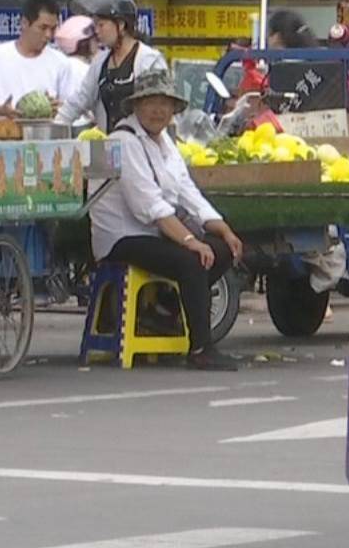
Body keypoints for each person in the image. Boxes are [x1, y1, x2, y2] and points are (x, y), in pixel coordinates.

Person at [91, 70, 245, 371]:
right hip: (121, 237)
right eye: (150, 102)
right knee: (192, 260)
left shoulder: (164, 143)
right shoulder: (123, 141)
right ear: (136, 106)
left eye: (165, 104)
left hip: (153, 233)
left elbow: (189, 193)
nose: (158, 111)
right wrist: (190, 241)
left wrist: (223, 229)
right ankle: (201, 347)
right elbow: (148, 206)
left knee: (224, 250)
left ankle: (163, 310)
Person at [57, 0, 168, 131]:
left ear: (121, 25)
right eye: (95, 25)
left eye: (101, 25)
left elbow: (162, 110)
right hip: (111, 146)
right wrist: (55, 127)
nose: (96, 31)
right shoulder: (100, 62)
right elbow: (79, 100)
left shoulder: (149, 61)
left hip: (143, 146)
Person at [0, 0, 75, 115]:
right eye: (43, 28)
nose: (48, 35)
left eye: (53, 29)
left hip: (45, 132)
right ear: (24, 23)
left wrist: (59, 108)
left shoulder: (61, 62)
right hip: (6, 131)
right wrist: (0, 110)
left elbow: (70, 106)